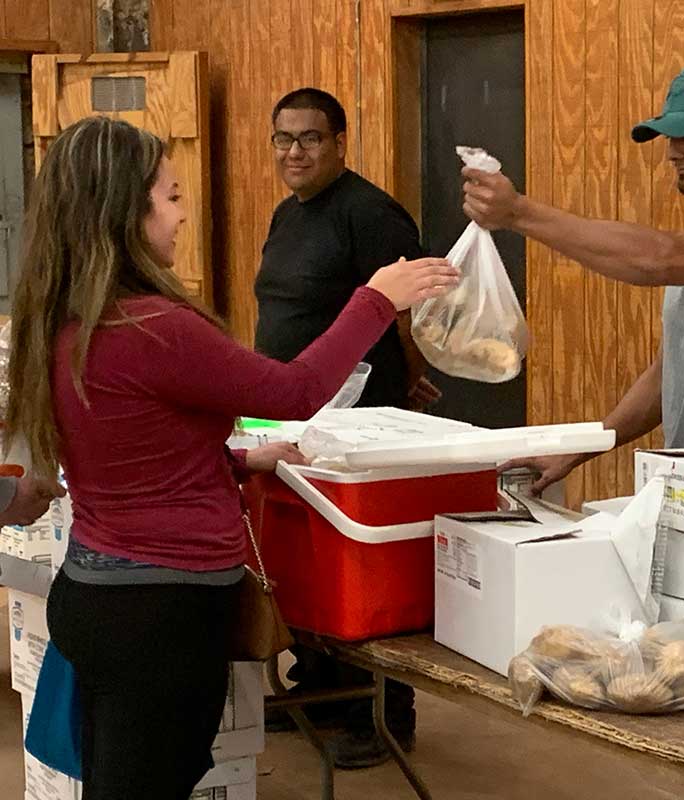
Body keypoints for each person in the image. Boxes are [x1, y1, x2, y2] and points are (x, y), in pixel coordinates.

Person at [6, 116, 457, 799]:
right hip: (163, 609)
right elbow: (294, 389)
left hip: (98, 592)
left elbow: (135, 443)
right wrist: (376, 300)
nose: (183, 213)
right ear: (126, 209)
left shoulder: (60, 317)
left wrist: (241, 460)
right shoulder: (153, 326)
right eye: (171, 196)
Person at [463, 59, 684, 492]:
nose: (674, 150)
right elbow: (671, 373)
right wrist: (581, 446)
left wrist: (519, 212)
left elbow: (657, 258)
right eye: (670, 136)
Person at [253, 87, 429, 767]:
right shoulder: (286, 214)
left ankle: (380, 714)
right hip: (290, 417)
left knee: (361, 569)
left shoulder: (369, 212)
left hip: (359, 422)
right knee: (304, 563)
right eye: (283, 139)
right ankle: (318, 689)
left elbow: (406, 306)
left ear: (339, 143)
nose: (295, 152)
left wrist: (410, 373)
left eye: (310, 138)